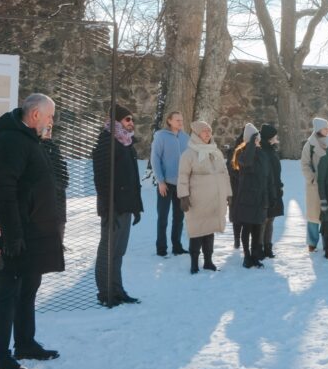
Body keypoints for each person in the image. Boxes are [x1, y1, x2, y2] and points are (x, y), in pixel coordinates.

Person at [0, 94, 65, 369]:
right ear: (35, 115)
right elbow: (2, 191)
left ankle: (24, 342)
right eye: (50, 116)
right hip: (18, 233)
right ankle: (0, 355)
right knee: (8, 293)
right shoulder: (10, 141)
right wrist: (11, 233)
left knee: (28, 289)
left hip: (35, 232)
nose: (51, 121)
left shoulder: (31, 140)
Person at [92, 104, 145, 307]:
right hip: (113, 207)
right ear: (117, 122)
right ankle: (105, 292)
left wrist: (136, 207)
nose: (131, 123)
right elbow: (101, 179)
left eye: (131, 119)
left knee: (119, 251)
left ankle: (117, 289)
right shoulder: (107, 142)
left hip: (126, 206)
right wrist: (107, 208)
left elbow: (132, 178)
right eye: (127, 119)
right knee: (107, 249)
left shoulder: (126, 143)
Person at [177, 121, 232, 273]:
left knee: (210, 230)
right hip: (197, 200)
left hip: (215, 200)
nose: (208, 133)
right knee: (197, 231)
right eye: (204, 131)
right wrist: (183, 196)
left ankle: (208, 261)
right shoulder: (188, 155)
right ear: (196, 134)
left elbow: (224, 175)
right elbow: (182, 177)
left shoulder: (216, 152)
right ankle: (194, 262)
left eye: (209, 130)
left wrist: (228, 194)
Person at [231, 123, 271, 268]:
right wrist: (250, 144)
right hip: (247, 197)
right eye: (255, 138)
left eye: (257, 138)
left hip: (260, 196)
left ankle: (255, 255)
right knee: (246, 227)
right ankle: (246, 256)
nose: (257, 140)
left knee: (257, 228)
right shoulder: (242, 153)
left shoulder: (261, 153)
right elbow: (247, 162)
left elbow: (266, 175)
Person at [150, 111, 190, 257]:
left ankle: (177, 246)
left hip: (181, 185)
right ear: (169, 121)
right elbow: (155, 159)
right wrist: (160, 181)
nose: (180, 122)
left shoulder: (186, 138)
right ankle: (161, 248)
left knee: (179, 218)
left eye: (181, 120)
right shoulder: (161, 136)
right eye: (177, 120)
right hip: (165, 184)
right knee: (163, 217)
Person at [300, 117, 328, 252]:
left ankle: (327, 242)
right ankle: (312, 243)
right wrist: (312, 179)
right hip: (315, 186)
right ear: (318, 129)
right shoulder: (310, 145)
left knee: (327, 215)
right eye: (325, 128)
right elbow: (304, 164)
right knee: (313, 215)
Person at [40, 124, 69, 246]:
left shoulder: (54, 148)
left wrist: (61, 183)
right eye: (45, 128)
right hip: (44, 204)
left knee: (59, 232)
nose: (48, 131)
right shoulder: (35, 148)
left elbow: (64, 173)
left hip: (59, 201)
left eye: (50, 129)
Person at [259, 124, 284, 259]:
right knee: (264, 219)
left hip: (275, 188)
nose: (276, 138)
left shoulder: (271, 150)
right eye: (274, 136)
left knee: (271, 219)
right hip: (266, 189)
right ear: (269, 138)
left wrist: (279, 186)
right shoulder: (263, 151)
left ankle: (268, 246)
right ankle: (260, 247)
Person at [226, 130, 244, 249]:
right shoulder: (234, 152)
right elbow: (230, 169)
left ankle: (239, 239)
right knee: (237, 216)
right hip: (236, 188)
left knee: (241, 216)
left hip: (241, 188)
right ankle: (237, 239)